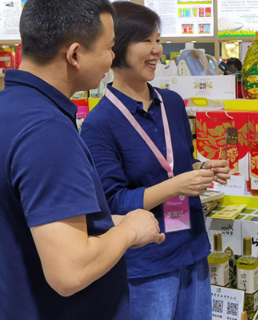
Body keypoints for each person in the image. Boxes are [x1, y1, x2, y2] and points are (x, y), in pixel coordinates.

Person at [0, 1, 165, 320]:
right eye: (108, 48)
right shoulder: (47, 132)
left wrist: (103, 223)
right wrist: (130, 230)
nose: (111, 58)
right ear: (75, 54)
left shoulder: (10, 108)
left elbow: (24, 219)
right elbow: (69, 271)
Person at [80, 2, 230, 320]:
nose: (156, 50)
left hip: (192, 249)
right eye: (145, 41)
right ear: (116, 47)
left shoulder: (171, 103)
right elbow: (114, 202)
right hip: (146, 263)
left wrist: (202, 169)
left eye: (158, 40)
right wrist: (177, 184)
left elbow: (180, 164)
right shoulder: (99, 123)